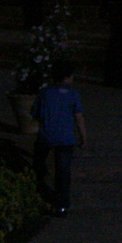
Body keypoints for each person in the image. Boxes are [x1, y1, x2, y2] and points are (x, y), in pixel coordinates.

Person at [32, 58, 87, 216]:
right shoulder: (72, 95)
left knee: (38, 164)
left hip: (46, 137)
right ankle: (61, 205)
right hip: (65, 139)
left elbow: (35, 114)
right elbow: (79, 117)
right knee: (63, 173)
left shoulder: (45, 93)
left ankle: (37, 191)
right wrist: (83, 137)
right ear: (67, 77)